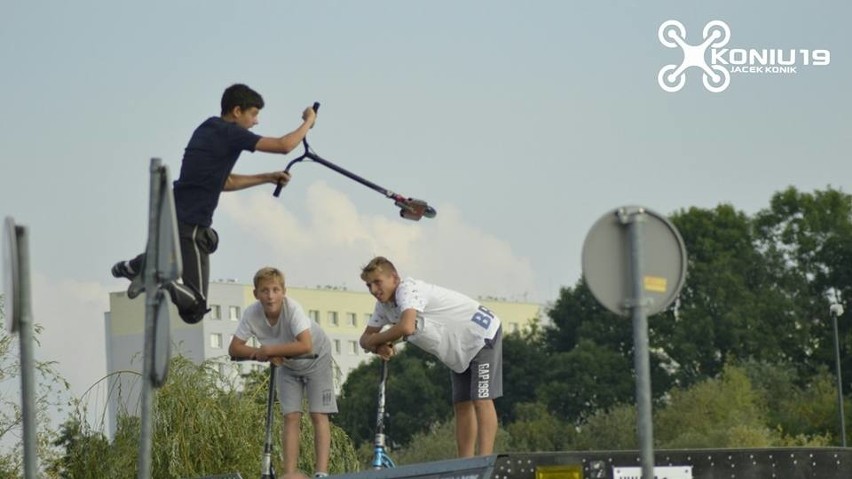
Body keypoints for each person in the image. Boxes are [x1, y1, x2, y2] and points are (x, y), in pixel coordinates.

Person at [111, 83, 316, 324]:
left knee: (205, 242)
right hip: (192, 223)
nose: (256, 122)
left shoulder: (206, 128)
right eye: (254, 114)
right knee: (195, 308)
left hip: (173, 215)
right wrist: (308, 122)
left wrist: (267, 177)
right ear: (237, 111)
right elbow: (284, 146)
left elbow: (224, 181)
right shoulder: (231, 132)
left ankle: (132, 267)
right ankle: (160, 280)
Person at [358, 256, 503, 458]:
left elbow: (406, 326)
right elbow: (364, 338)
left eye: (377, 282)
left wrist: (378, 340)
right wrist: (378, 347)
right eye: (368, 285)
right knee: (461, 404)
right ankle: (465, 464)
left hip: (480, 333)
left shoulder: (407, 290)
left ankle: (485, 460)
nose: (374, 290)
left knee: (481, 399)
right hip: (457, 348)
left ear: (394, 278)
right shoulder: (383, 307)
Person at [229, 267, 337, 478]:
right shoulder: (251, 314)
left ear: (283, 292)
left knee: (318, 413)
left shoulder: (293, 309)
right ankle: (290, 473)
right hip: (286, 364)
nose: (270, 296)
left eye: (275, 290)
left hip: (316, 357)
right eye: (265, 290)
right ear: (256, 294)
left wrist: (270, 351)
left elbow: (305, 345)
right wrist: (259, 354)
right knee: (290, 415)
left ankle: (321, 473)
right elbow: (234, 348)